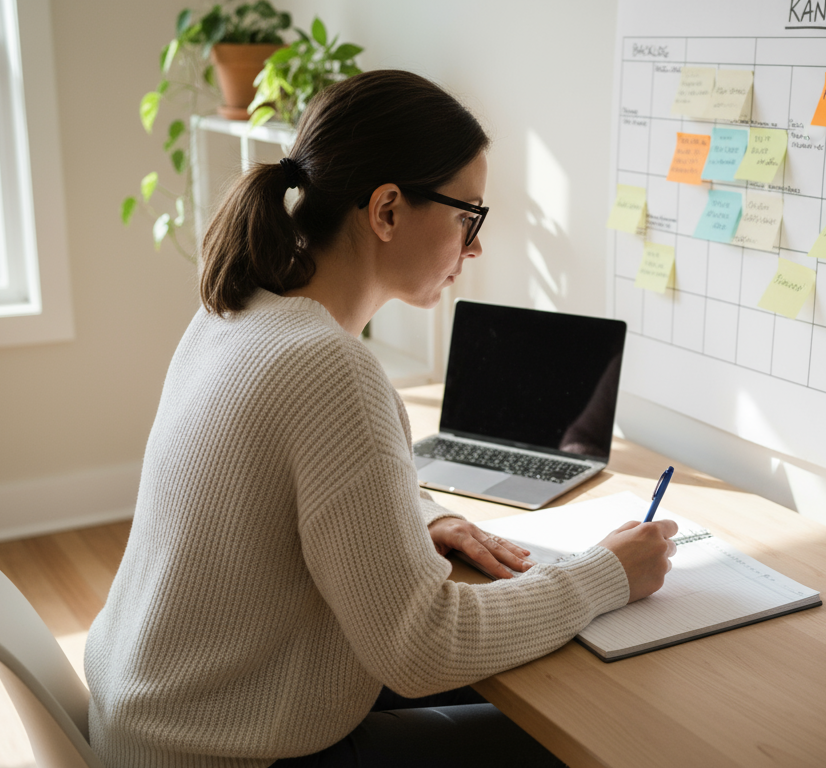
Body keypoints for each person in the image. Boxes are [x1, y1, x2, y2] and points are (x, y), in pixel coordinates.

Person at [84, 69, 678, 768]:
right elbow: (424, 649)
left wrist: (423, 516)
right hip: (219, 753)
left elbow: (301, 490)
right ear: (387, 211)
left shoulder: (236, 313)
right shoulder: (330, 370)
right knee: (575, 736)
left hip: (153, 720)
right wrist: (606, 573)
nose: (476, 246)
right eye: (468, 216)